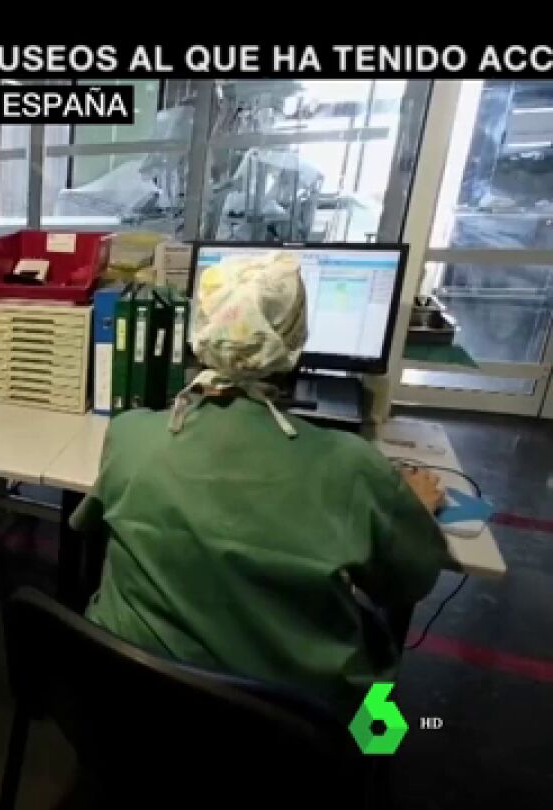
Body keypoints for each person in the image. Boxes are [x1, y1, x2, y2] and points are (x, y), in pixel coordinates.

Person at [74, 251, 451, 710]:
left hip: (124, 698)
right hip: (293, 730)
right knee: (383, 707)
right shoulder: (352, 466)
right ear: (295, 340)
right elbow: (410, 581)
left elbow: (90, 527)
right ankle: (373, 751)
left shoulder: (131, 435)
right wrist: (415, 509)